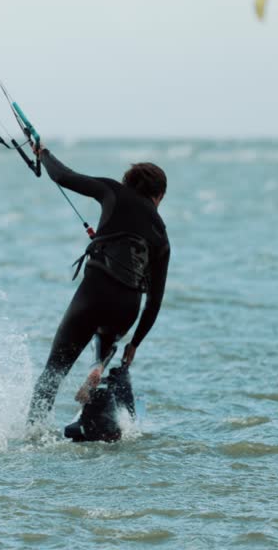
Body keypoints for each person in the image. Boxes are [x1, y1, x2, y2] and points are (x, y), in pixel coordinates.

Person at [27, 147, 171, 429]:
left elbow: (63, 176)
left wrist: (42, 152)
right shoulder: (161, 234)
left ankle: (33, 434)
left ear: (127, 182)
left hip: (95, 291)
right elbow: (155, 299)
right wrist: (135, 342)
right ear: (159, 196)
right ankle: (99, 364)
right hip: (128, 304)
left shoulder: (113, 192)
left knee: (52, 374)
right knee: (108, 337)